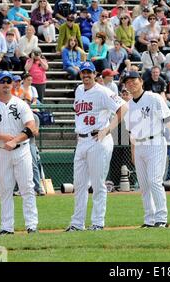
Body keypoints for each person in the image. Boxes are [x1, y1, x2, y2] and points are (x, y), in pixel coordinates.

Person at [65, 62, 126, 232]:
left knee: (98, 185)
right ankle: (77, 223)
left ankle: (98, 222)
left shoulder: (103, 91)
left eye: (89, 72)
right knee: (79, 185)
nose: (86, 75)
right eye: (83, 72)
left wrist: (107, 129)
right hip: (82, 141)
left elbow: (124, 107)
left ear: (95, 74)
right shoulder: (78, 90)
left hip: (98, 140)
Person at [122, 71, 170, 228]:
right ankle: (149, 219)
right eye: (127, 82)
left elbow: (168, 120)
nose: (131, 84)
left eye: (134, 80)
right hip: (139, 145)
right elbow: (132, 133)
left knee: (154, 181)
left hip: (155, 142)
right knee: (143, 185)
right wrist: (133, 152)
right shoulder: (128, 106)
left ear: (141, 81)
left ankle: (162, 218)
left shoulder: (154, 98)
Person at [0, 71, 39, 237]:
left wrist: (14, 140)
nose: (6, 84)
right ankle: (7, 227)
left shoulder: (21, 104)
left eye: (8, 81)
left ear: (13, 84)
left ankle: (32, 226)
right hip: (2, 152)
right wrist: (2, 137)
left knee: (27, 188)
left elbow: (31, 127)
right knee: (5, 190)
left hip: (21, 150)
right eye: (2, 81)